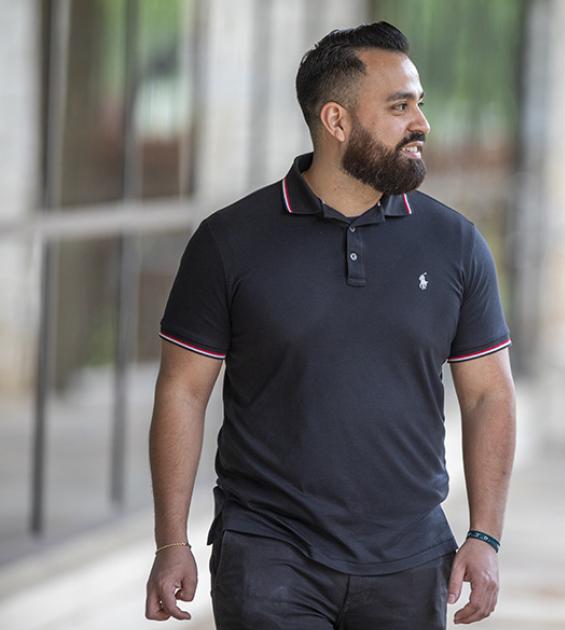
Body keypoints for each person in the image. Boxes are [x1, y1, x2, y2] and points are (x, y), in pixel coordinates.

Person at [144, 22, 515, 629]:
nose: (421, 122)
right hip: (268, 552)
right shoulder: (229, 241)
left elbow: (489, 395)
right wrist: (170, 541)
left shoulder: (455, 244)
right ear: (336, 120)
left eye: (419, 103)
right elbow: (182, 390)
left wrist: (486, 536)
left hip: (411, 557)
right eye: (400, 107)